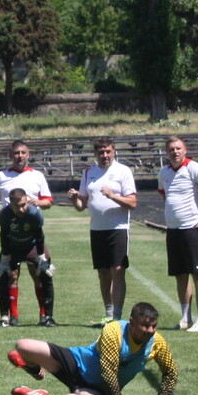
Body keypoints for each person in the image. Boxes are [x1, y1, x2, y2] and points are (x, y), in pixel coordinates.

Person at [5, 300, 178, 395]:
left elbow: (170, 371)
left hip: (96, 389)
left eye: (153, 326)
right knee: (23, 345)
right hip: (75, 362)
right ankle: (34, 369)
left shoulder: (157, 342)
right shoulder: (114, 330)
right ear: (132, 322)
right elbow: (107, 369)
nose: (150, 331)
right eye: (145, 326)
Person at [0, 140, 54, 322]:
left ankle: (44, 316)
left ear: (29, 154)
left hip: (33, 235)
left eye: (23, 153)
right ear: (11, 156)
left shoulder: (37, 175)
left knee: (40, 274)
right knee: (9, 274)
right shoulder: (2, 176)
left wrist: (38, 203)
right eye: (16, 153)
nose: (20, 156)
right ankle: (12, 316)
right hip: (11, 235)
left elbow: (48, 201)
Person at [69, 137, 137, 326]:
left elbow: (132, 202)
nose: (104, 155)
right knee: (103, 273)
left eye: (108, 151)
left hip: (118, 228)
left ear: (114, 151)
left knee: (118, 270)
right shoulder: (88, 173)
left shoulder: (123, 171)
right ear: (95, 154)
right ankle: (108, 312)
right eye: (101, 152)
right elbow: (82, 206)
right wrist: (75, 199)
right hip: (97, 228)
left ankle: (117, 314)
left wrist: (113, 195)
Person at [158, 136, 198, 331]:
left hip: (192, 229)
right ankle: (185, 318)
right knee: (180, 275)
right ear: (166, 152)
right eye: (171, 149)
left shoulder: (194, 168)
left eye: (178, 148)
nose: (175, 152)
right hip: (174, 230)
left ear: (185, 150)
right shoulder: (164, 173)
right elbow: (166, 196)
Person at [0, 187, 55, 328]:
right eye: (17, 206)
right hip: (13, 247)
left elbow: (39, 236)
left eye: (24, 205)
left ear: (27, 202)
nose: (21, 209)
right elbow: (4, 236)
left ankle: (47, 317)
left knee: (45, 274)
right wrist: (5, 257)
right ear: (10, 204)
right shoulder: (5, 215)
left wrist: (41, 257)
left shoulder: (34, 214)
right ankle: (6, 317)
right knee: (2, 274)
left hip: (32, 246)